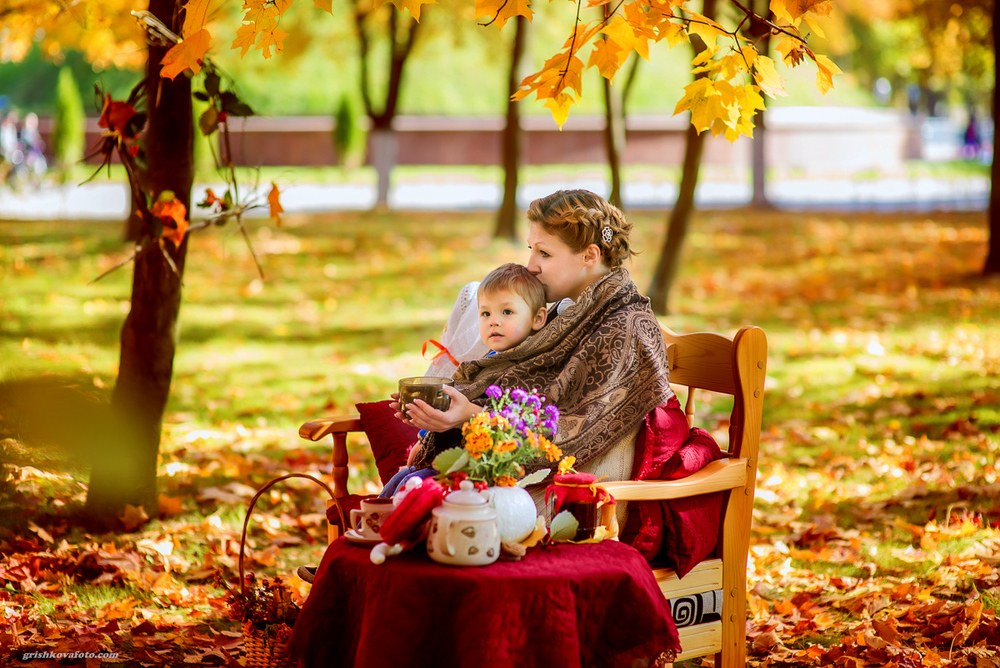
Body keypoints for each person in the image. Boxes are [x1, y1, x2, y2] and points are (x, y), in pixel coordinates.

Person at [397, 189, 675, 486]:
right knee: (407, 486)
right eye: (531, 249)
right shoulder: (567, 313)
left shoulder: (625, 328)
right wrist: (442, 418)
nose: (531, 265)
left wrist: (471, 416)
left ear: (589, 255)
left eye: (544, 253)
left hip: (574, 488)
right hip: (513, 469)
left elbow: (571, 436)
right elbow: (519, 384)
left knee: (416, 493)